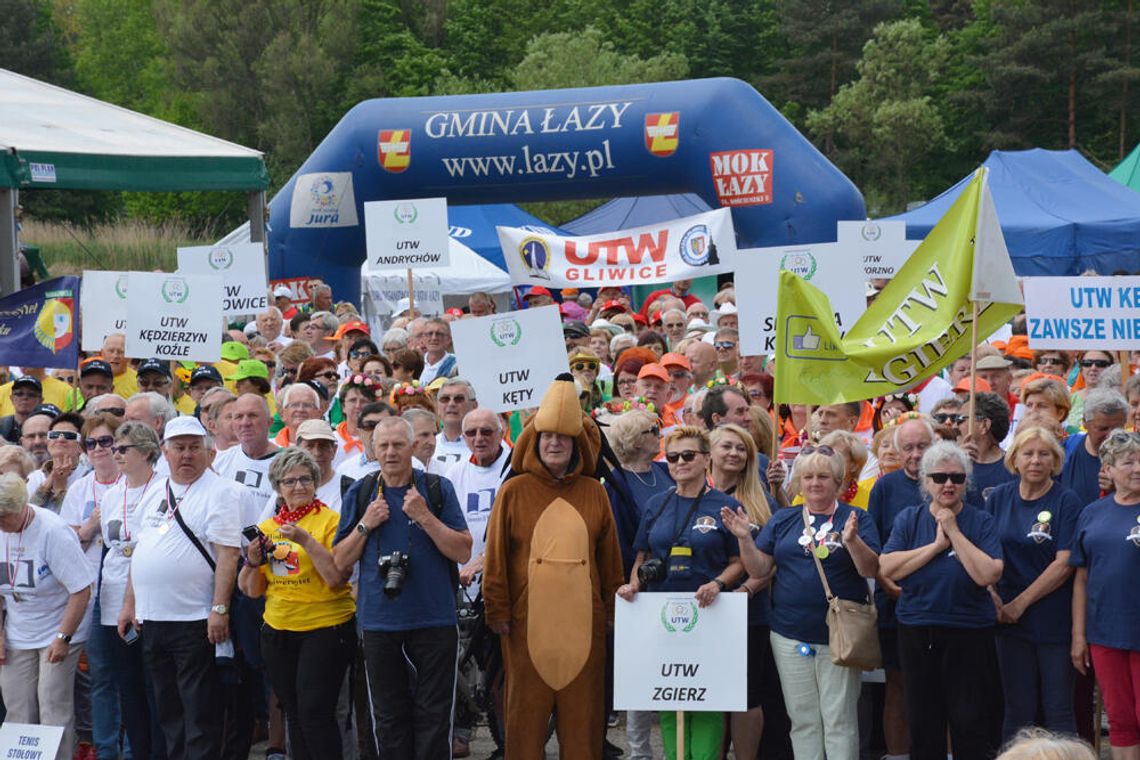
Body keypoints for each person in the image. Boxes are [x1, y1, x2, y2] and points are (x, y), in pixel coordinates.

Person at [484, 376, 623, 760]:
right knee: (524, 722)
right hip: (526, 625)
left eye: (563, 437)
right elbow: (494, 555)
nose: (555, 443)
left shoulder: (595, 492)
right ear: (534, 441)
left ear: (577, 443)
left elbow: (610, 559)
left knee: (584, 724)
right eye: (547, 437)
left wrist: (611, 611)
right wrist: (496, 608)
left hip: (584, 624)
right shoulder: (513, 491)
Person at [721, 444, 880, 760]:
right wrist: (744, 539)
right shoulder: (784, 519)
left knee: (839, 721)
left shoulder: (856, 517)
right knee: (803, 720)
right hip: (788, 634)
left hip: (838, 636)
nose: (815, 483)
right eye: (808, 477)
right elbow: (760, 569)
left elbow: (870, 569)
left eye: (823, 476)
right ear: (799, 482)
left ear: (837, 481)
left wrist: (852, 541)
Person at [334, 417, 472, 759]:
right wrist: (366, 524)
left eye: (398, 444)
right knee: (388, 719)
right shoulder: (362, 492)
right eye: (383, 445)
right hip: (380, 623)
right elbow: (340, 560)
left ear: (413, 448)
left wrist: (424, 517)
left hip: (434, 621)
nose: (391, 452)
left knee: (435, 717)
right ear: (373, 450)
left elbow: (462, 550)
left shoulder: (437, 489)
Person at [117, 416, 245, 760]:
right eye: (179, 448)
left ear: (207, 452)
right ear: (164, 452)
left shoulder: (221, 492)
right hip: (153, 617)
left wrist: (219, 609)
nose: (186, 455)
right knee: (168, 710)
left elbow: (229, 555)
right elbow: (140, 551)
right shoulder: (155, 490)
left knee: (200, 711)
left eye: (194, 447)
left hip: (194, 619)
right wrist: (129, 604)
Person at [619, 426, 743, 759]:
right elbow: (642, 557)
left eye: (688, 455)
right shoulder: (656, 504)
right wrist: (634, 585)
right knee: (670, 700)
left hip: (711, 615)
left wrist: (718, 583)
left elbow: (739, 562)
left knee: (707, 700)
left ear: (706, 460)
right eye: (672, 457)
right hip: (662, 615)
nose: (679, 462)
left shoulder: (725, 505)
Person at [880, 441, 1004, 760]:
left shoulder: (980, 521)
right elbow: (887, 567)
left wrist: (953, 532)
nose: (948, 484)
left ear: (967, 482)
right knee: (923, 722)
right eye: (939, 477)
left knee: (970, 721)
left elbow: (987, 574)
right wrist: (935, 547)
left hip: (969, 632)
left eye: (957, 478)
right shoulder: (910, 518)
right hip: (917, 629)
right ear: (925, 481)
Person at [239, 447, 356, 760]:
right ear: (278, 488)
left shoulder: (332, 521)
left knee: (316, 709)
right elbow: (251, 590)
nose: (299, 487)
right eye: (290, 481)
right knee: (292, 710)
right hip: (279, 628)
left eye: (306, 479)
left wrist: (305, 540)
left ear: (316, 483)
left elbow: (335, 577)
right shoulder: (267, 529)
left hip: (326, 627)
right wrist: (252, 561)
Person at [984, 427, 1081, 739]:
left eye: (1044, 454)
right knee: (1017, 709)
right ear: (1015, 459)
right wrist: (995, 599)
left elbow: (1064, 563)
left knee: (1057, 709)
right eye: (1028, 453)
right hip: (1007, 622)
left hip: (1051, 621)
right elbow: (984, 552)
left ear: (1055, 460)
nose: (1036, 460)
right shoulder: (998, 498)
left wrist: (1019, 604)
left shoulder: (1066, 501)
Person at [0, 472, 94, 760]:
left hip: (60, 625)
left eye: (4, 517)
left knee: (52, 704)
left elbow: (81, 590)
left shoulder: (53, 530)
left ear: (21, 508)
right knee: (17, 706)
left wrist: (62, 638)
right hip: (19, 629)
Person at [707, 424, 786, 760]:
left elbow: (774, 560)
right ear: (709, 451)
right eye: (727, 446)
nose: (734, 454)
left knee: (745, 695)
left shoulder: (759, 499)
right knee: (711, 696)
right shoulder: (690, 492)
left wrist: (746, 590)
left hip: (748, 613)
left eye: (742, 449)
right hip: (702, 612)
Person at [599, 408, 669, 760]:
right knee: (642, 672)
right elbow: (617, 539)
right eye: (650, 430)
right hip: (640, 585)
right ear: (631, 440)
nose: (658, 433)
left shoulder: (666, 470)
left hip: (678, 584)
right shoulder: (617, 483)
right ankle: (639, 751)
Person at [866, 414, 934, 760]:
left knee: (941, 687)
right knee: (897, 684)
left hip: (941, 602)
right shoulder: (885, 487)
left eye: (923, 446)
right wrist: (888, 586)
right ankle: (897, 755)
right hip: (896, 601)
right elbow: (874, 548)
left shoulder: (949, 480)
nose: (916, 454)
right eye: (908, 447)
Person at [1070, 430, 1140, 760]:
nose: (1138, 468)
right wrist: (1079, 636)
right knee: (1121, 718)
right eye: (1129, 462)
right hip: (1105, 634)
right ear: (1108, 469)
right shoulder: (1092, 513)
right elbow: (1081, 578)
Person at [59, 412, 123, 759]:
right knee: (99, 677)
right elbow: (66, 543)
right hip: (89, 592)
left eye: (106, 441)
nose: (99, 449)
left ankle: (131, 747)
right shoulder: (80, 488)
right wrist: (89, 527)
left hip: (124, 591)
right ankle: (105, 748)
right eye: (92, 443)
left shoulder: (134, 483)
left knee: (129, 677)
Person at [100, 422, 164, 760]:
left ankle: (158, 753)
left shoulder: (163, 489)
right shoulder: (111, 494)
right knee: (128, 685)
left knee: (154, 685)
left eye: (123, 448)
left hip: (149, 598)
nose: (116, 454)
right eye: (115, 447)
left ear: (147, 452)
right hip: (113, 596)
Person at [1061, 389, 1129, 506]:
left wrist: (1121, 489)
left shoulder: (1135, 457)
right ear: (1084, 423)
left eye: (1117, 428)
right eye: (1102, 429)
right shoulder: (1064, 451)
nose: (1110, 435)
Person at [960, 392, 1017, 504]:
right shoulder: (955, 467)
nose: (956, 425)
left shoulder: (1014, 467)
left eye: (961, 419)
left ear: (984, 424)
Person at [27, 411, 88, 513]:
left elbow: (72, 520)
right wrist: (49, 482)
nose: (60, 439)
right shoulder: (34, 477)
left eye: (69, 435)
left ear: (81, 445)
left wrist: (60, 489)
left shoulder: (87, 477)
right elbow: (26, 515)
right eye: (54, 435)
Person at [434, 378, 478, 471]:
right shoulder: (428, 445)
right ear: (437, 407)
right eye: (445, 399)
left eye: (459, 399)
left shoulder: (489, 444)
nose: (451, 404)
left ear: (474, 406)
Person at [1067, 350, 1115, 429]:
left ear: (1110, 368)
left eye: (1100, 364)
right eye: (1087, 363)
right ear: (1081, 369)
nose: (1093, 368)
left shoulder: (1118, 400)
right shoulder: (1069, 400)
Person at [0, 375, 43, 444]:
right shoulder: (1, 426)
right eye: (19, 394)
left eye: (31, 395)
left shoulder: (48, 427)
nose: (25, 398)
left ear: (41, 400)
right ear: (11, 398)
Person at [419, 318, 458, 383]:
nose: (434, 338)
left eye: (439, 334)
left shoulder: (456, 365)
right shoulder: (417, 363)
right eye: (430, 333)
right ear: (423, 338)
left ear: (448, 339)